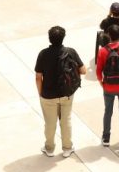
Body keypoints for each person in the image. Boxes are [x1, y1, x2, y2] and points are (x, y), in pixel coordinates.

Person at [34, 25, 86, 157]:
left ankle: (49, 148)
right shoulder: (70, 52)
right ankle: (67, 148)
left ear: (49, 38)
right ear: (63, 37)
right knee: (66, 121)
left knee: (50, 123)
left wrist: (40, 93)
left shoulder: (43, 54)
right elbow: (83, 70)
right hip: (66, 93)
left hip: (48, 95)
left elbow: (38, 77)